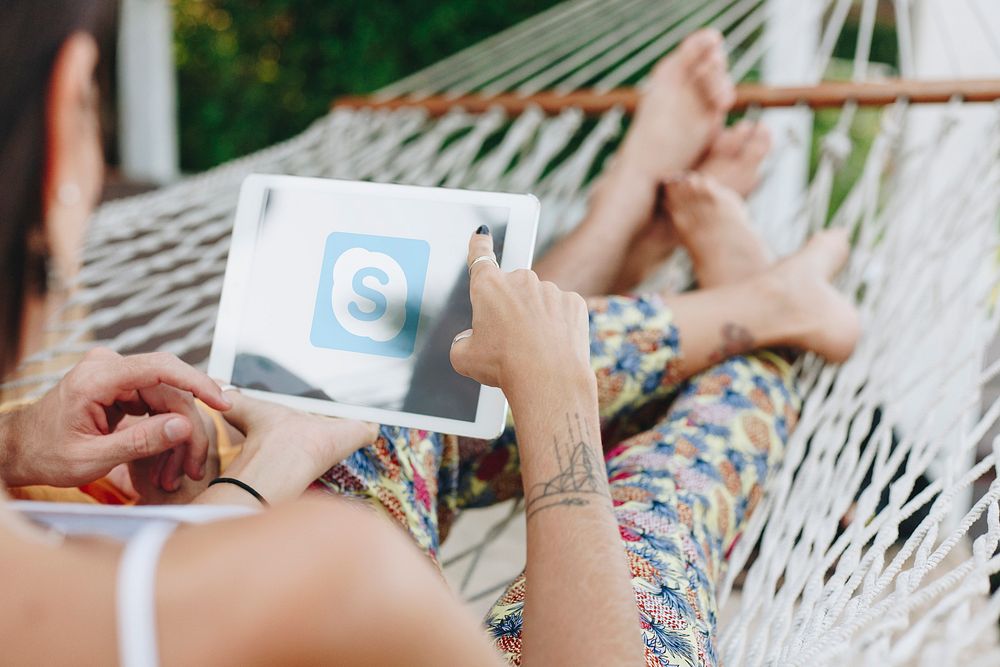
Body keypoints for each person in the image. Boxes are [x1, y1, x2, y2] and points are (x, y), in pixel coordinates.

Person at [0, 2, 861, 664]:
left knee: (398, 399)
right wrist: (556, 407)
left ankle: (663, 253)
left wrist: (13, 445)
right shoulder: (331, 580)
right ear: (67, 115)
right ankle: (767, 323)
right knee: (657, 504)